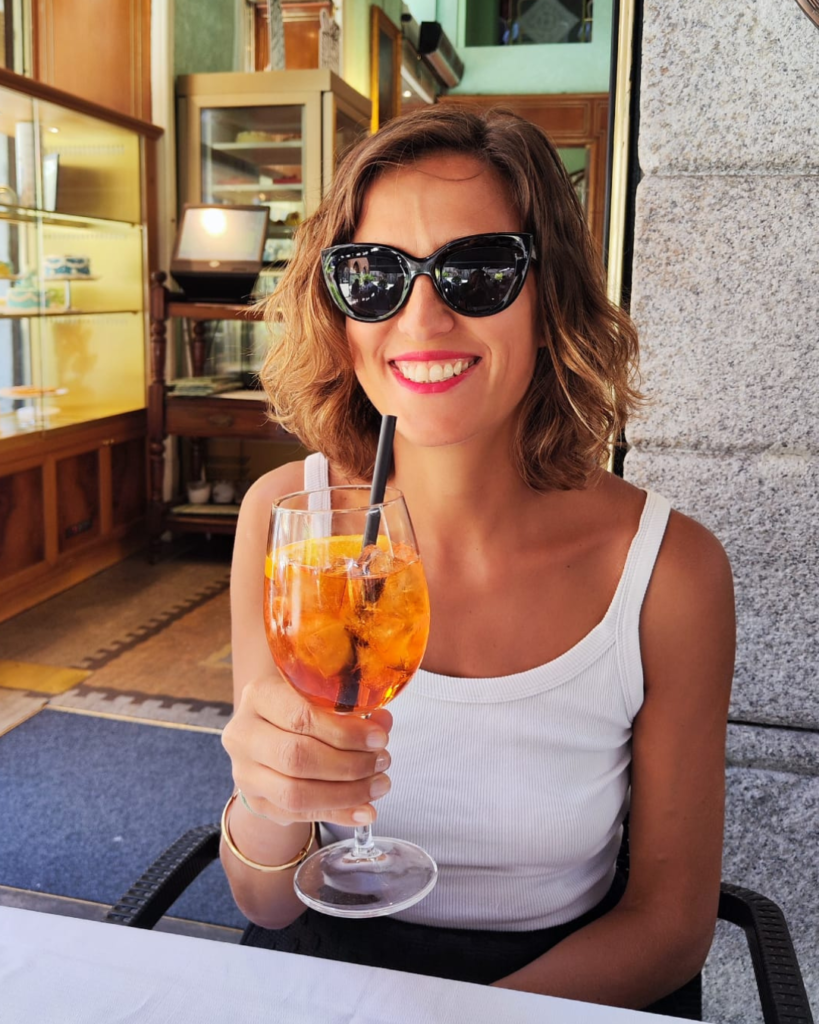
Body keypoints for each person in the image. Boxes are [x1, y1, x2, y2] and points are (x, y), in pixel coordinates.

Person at [222, 104, 735, 1017]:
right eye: (374, 275)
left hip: (558, 989)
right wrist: (267, 799)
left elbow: (668, 926)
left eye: (478, 270)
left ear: (549, 301)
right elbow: (265, 901)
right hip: (326, 974)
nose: (421, 317)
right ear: (339, 311)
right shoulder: (289, 524)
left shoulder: (668, 573)